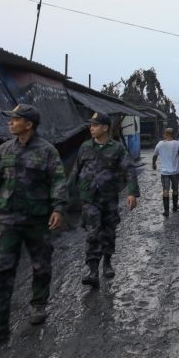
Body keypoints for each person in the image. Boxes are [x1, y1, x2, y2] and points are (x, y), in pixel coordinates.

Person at [0, 104, 67, 344]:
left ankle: (38, 305)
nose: (10, 122)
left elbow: (57, 180)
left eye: (15, 119)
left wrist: (58, 208)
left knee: (41, 266)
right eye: (10, 119)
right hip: (7, 219)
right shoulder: (4, 150)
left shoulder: (47, 151)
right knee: (0, 270)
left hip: (37, 219)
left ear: (28, 124)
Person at [68, 112, 140, 288]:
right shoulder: (85, 147)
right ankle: (92, 270)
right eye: (90, 125)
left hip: (109, 198)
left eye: (95, 125)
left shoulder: (117, 148)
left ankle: (107, 262)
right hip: (89, 198)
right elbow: (75, 171)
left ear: (105, 127)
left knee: (108, 231)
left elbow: (129, 170)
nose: (91, 128)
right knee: (93, 232)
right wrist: (62, 198)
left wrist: (132, 193)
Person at [153, 128, 179, 216]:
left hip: (164, 172)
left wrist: (154, 164)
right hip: (175, 172)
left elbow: (154, 155)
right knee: (175, 189)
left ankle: (166, 211)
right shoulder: (178, 144)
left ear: (165, 134)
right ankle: (175, 207)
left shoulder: (160, 144)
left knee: (165, 190)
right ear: (174, 134)